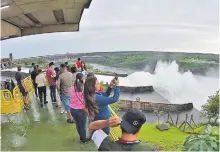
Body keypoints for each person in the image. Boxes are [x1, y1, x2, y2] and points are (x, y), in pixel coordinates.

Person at [89, 109, 154, 151]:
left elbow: (92, 127)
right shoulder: (149, 149)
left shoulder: (106, 145)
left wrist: (107, 122)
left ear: (120, 126)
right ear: (139, 130)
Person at [69, 73, 90, 143]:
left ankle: (81, 137)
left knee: (77, 124)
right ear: (82, 79)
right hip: (81, 110)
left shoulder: (71, 88)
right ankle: (83, 139)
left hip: (72, 109)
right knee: (82, 125)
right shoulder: (84, 89)